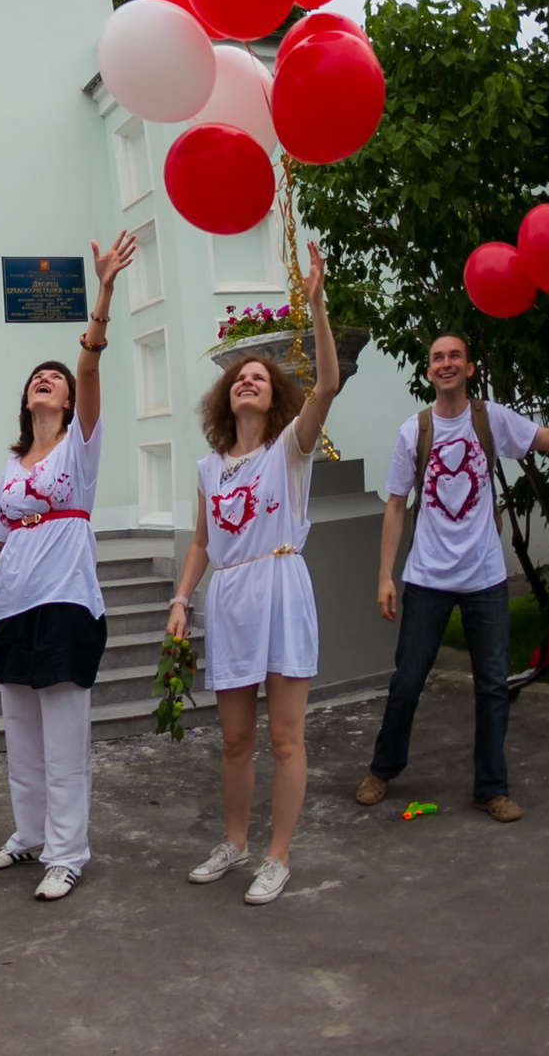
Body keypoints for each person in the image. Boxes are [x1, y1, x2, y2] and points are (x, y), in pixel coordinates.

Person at [0, 229, 135, 904]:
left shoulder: (81, 448)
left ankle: (68, 853)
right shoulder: (14, 467)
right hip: (12, 603)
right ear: (27, 401)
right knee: (22, 736)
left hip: (67, 602)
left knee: (65, 740)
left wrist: (101, 291)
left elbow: (92, 367)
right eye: (36, 378)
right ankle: (30, 837)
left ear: (70, 402)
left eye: (57, 380)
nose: (46, 380)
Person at [358, 334, 549, 822]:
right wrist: (385, 576)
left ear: (469, 367)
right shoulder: (414, 431)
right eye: (437, 358)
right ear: (429, 372)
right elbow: (394, 507)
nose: (446, 364)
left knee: (492, 687)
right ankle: (382, 770)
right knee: (407, 680)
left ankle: (491, 788)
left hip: (485, 579)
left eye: (455, 356)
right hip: (427, 578)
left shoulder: (490, 419)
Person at [166, 244, 341, 907]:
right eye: (239, 376)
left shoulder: (289, 451)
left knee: (285, 734)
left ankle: (277, 855)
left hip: (281, 586)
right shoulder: (210, 469)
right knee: (235, 737)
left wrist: (316, 303)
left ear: (274, 399)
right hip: (230, 595)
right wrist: (182, 599)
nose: (248, 381)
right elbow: (203, 543)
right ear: (225, 396)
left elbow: (325, 384)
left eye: (260, 377)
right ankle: (235, 844)